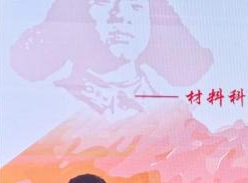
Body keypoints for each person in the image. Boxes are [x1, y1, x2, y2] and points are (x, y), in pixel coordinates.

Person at [11, 0, 212, 117]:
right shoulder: (49, 106)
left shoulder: (171, 111)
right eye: (104, 2)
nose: (121, 15)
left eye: (136, 6)